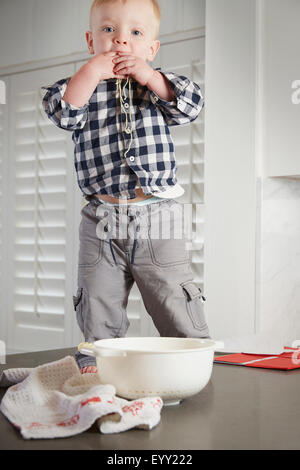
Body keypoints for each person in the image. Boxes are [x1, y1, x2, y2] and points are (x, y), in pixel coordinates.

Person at [42, 0, 210, 374]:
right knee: (98, 296)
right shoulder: (79, 88)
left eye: (135, 33)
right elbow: (63, 113)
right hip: (100, 217)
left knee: (172, 294)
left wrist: (150, 77)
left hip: (158, 216)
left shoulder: (156, 85)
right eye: (108, 31)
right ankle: (99, 366)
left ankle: (190, 359)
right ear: (90, 41)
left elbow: (192, 105)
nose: (120, 42)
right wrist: (90, 72)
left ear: (151, 48)